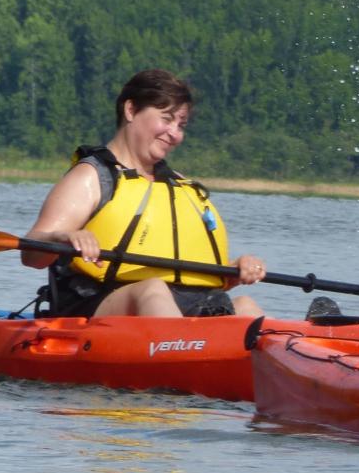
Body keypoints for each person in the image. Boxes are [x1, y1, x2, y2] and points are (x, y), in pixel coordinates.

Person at [22, 69, 266, 317]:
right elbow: (31, 255)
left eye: (181, 125)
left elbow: (178, 269)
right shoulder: (91, 177)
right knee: (152, 290)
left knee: (244, 306)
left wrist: (231, 271)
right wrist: (64, 236)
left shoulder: (180, 186)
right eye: (167, 119)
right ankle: (181, 349)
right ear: (131, 110)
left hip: (177, 314)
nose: (175, 134)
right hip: (97, 310)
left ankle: (288, 350)